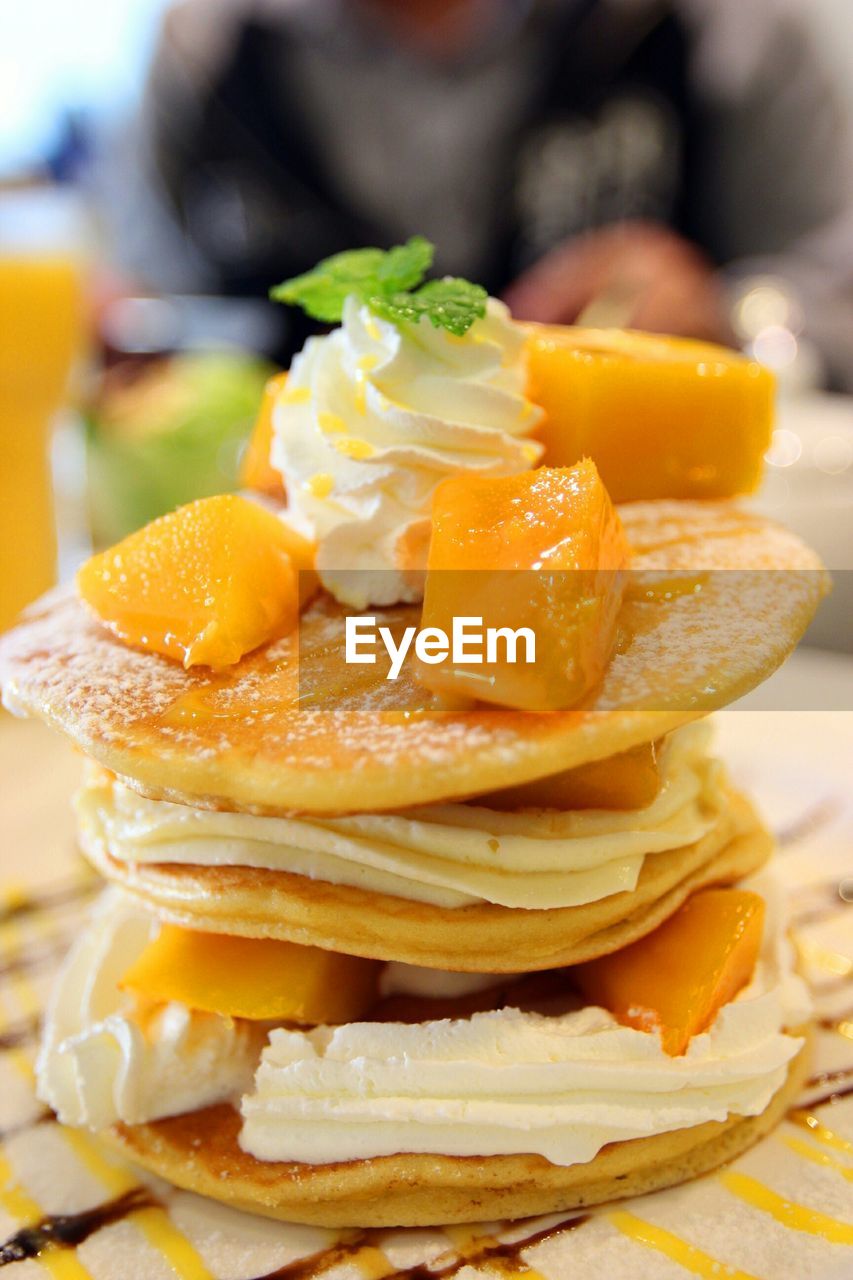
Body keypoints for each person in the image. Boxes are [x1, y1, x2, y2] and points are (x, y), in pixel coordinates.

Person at [104, 0, 853, 384]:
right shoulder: (205, 52)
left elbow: (831, 291)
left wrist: (729, 314)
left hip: (648, 555)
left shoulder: (717, 29)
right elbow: (137, 307)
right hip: (321, 587)